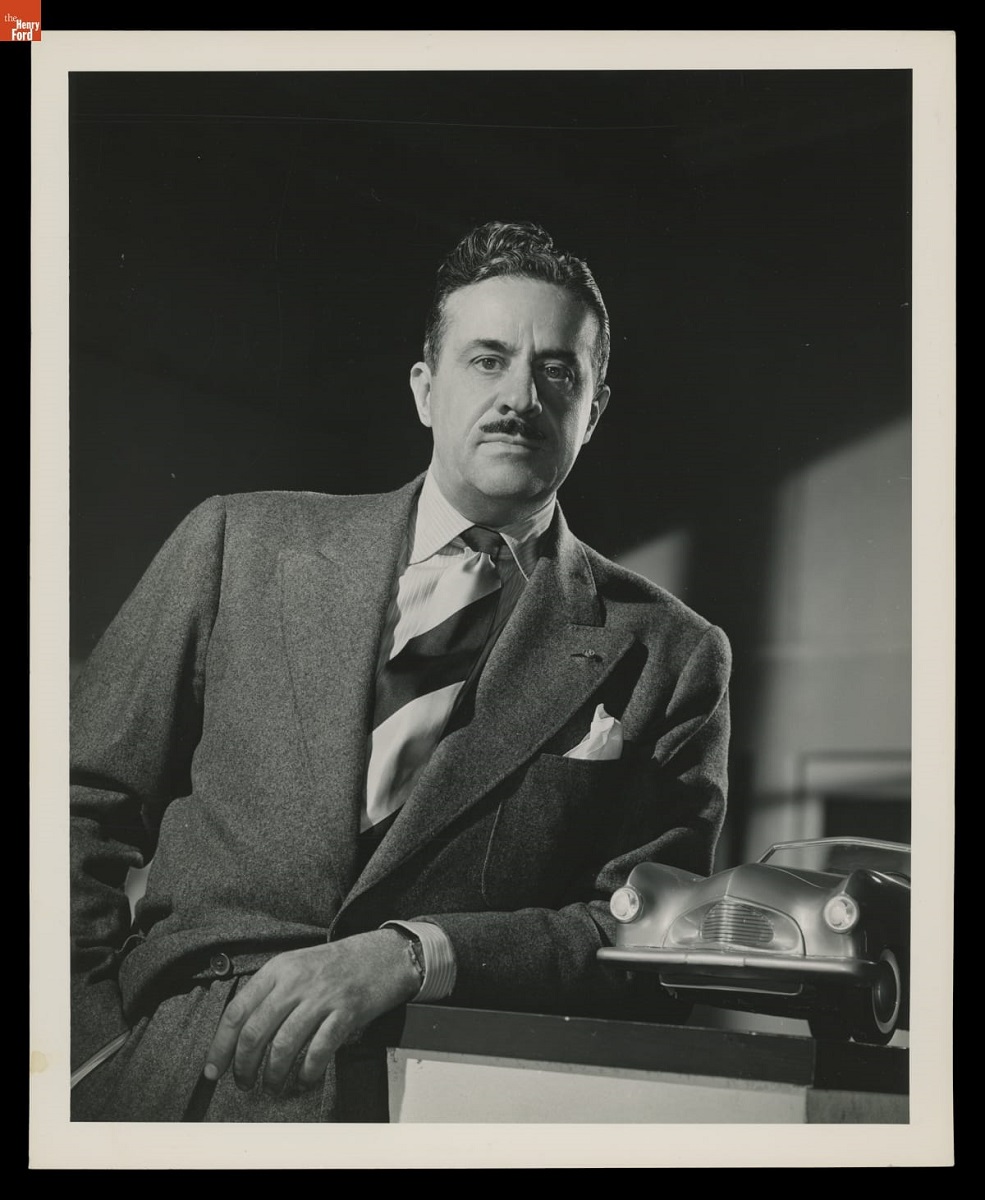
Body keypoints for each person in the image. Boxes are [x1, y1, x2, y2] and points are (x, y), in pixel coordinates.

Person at [70, 220, 731, 1122]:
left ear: (594, 408)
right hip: (182, 1073)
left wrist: (412, 954)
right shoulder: (239, 544)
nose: (518, 398)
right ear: (425, 389)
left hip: (452, 1094)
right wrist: (91, 1047)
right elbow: (73, 803)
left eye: (555, 371)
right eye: (486, 360)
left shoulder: (670, 650)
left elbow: (649, 932)